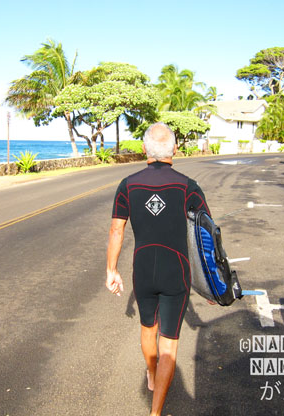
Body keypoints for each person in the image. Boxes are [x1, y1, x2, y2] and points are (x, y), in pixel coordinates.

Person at [106, 122, 210, 415]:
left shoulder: (128, 184)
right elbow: (206, 236)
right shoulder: (188, 186)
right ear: (175, 149)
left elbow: (116, 230)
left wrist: (112, 270)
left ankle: (151, 374)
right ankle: (155, 412)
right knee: (169, 345)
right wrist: (211, 283)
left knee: (147, 327)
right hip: (175, 269)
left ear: (144, 150)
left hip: (142, 268)